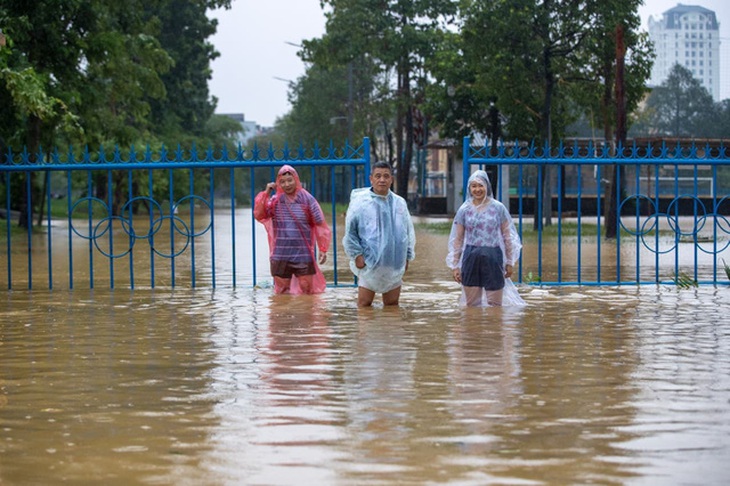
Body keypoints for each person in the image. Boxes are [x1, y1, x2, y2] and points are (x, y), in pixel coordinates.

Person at [446, 169, 525, 307]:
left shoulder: (498, 208)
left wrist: (510, 262)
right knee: (472, 306)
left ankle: (493, 328)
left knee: (495, 306)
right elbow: (457, 239)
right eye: (474, 186)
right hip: (471, 257)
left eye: (480, 185)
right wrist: (455, 266)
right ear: (469, 188)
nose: (477, 189)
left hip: (493, 257)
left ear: (487, 187)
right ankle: (475, 329)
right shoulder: (464, 210)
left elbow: (508, 236)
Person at [343, 161, 416, 307]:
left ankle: (389, 330)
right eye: (378, 176)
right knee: (364, 304)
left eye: (386, 176)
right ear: (371, 179)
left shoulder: (399, 203)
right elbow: (351, 232)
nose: (382, 180)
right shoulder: (360, 203)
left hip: (394, 262)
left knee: (392, 304)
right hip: (369, 264)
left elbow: (407, 231)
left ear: (391, 179)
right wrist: (357, 255)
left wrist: (407, 256)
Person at [253, 164, 331, 294]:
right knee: (282, 292)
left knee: (307, 290)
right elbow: (259, 214)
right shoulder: (274, 201)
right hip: (281, 254)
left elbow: (320, 223)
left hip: (303, 254)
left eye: (290, 180)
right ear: (278, 183)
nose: (287, 184)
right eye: (282, 182)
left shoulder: (307, 200)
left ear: (296, 180)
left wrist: (323, 248)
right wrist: (266, 192)